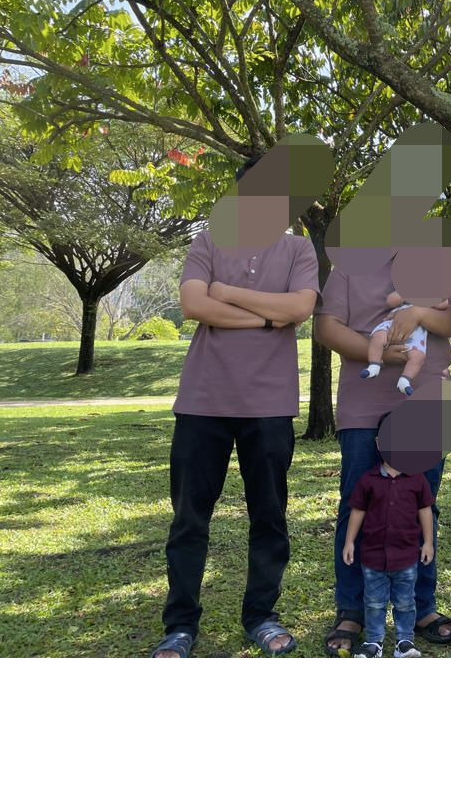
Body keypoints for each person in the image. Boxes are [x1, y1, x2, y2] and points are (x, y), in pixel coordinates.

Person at [150, 155, 321, 658]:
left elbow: (300, 308)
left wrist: (226, 294)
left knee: (269, 516)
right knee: (189, 519)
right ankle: (180, 624)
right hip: (203, 400)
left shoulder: (298, 249)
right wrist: (266, 317)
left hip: (270, 403)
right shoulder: (208, 241)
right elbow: (194, 305)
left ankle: (261, 616)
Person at [315, 261, 451, 656]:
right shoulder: (350, 266)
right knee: (357, 505)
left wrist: (419, 313)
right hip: (363, 404)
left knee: (422, 504)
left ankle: (421, 606)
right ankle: (352, 609)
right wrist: (384, 354)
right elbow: (327, 327)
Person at [342, 455, 435, 657]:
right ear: (379, 443)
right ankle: (374, 642)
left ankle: (405, 642)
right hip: (373, 557)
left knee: (405, 602)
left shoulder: (417, 479)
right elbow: (357, 511)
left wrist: (428, 542)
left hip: (406, 556)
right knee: (374, 602)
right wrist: (349, 542)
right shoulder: (368, 480)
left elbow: (425, 510)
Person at [361, 291, 449, 395]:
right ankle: (374, 365)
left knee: (418, 356)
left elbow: (444, 304)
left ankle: (405, 380)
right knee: (378, 337)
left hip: (418, 331)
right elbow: (390, 301)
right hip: (394, 323)